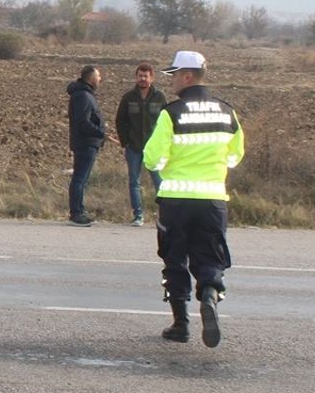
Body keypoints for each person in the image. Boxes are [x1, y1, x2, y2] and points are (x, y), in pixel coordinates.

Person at [143, 50, 245, 348]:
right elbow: (236, 156)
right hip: (213, 200)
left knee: (175, 259)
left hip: (175, 200)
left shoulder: (171, 113)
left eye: (174, 74)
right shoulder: (227, 112)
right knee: (211, 257)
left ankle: (180, 325)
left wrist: (167, 164)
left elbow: (152, 158)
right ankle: (210, 296)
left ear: (187, 76)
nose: (172, 80)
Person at [115, 63, 168, 227]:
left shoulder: (160, 97)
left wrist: (163, 144)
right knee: (134, 182)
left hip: (154, 148)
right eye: (140, 76)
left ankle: (165, 215)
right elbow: (120, 120)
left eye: (146, 76)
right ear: (136, 77)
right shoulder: (129, 97)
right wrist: (126, 141)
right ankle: (138, 215)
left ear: (151, 78)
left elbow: (166, 122)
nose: (143, 79)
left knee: (159, 181)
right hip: (134, 147)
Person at [65, 66, 117, 226]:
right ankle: (76, 213)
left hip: (88, 143)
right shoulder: (83, 96)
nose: (100, 79)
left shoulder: (85, 94)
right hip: (85, 143)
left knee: (81, 179)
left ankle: (79, 210)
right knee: (79, 179)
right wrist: (102, 134)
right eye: (98, 76)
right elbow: (83, 122)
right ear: (91, 78)